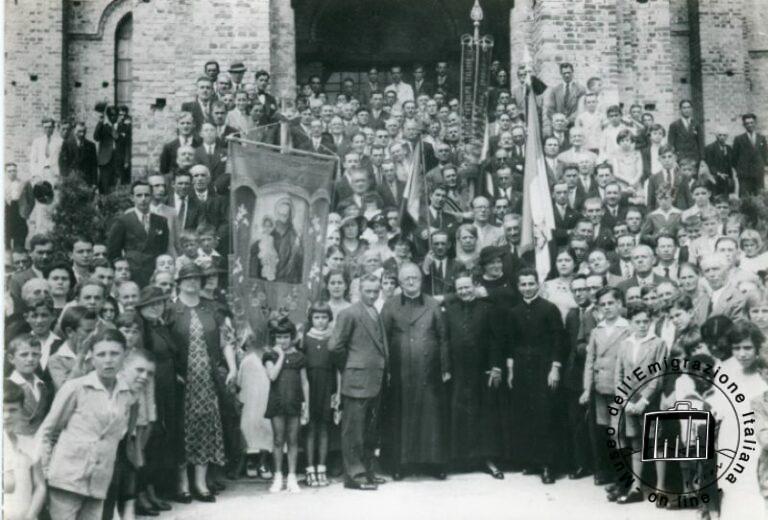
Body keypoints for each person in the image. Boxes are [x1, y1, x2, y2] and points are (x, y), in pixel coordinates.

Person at [38, 329, 138, 520]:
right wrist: (45, 474)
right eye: (101, 354)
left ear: (125, 355)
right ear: (92, 358)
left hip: (99, 481)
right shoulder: (75, 388)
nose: (108, 360)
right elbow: (48, 432)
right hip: (66, 479)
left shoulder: (126, 393)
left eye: (114, 353)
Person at [169, 263, 235, 503]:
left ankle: (200, 482)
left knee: (206, 427)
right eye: (188, 279)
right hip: (181, 382)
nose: (193, 283)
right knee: (181, 428)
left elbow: (226, 340)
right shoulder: (170, 310)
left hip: (207, 381)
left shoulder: (212, 309)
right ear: (179, 282)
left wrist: (232, 367)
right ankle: (182, 484)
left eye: (197, 279)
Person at [381, 263, 449, 480]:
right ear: (400, 282)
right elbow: (382, 338)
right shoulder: (390, 305)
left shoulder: (432, 304)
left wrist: (445, 367)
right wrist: (387, 370)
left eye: (415, 278)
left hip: (428, 371)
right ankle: (400, 463)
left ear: (421, 280)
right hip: (401, 370)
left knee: (430, 416)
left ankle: (434, 463)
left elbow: (443, 337)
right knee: (401, 416)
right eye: (406, 279)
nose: (411, 282)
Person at [505, 268, 566, 484]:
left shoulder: (549, 309)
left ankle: (548, 465)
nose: (528, 288)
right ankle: (531, 460)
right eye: (523, 284)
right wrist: (511, 371)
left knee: (545, 415)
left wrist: (555, 367)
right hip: (522, 368)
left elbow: (559, 340)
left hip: (543, 367)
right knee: (526, 414)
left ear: (538, 284)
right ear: (518, 286)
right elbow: (511, 343)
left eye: (531, 283)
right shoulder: (514, 312)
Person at [444, 272, 505, 478]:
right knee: (458, 412)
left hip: (482, 371)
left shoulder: (487, 309)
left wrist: (496, 367)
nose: (463, 291)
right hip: (459, 371)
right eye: (459, 288)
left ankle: (487, 458)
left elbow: (496, 340)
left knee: (484, 414)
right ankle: (460, 458)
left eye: (467, 287)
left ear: (475, 286)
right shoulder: (450, 311)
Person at [612, 304, 666, 504]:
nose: (642, 325)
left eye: (645, 321)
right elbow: (618, 375)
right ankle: (636, 487)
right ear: (631, 323)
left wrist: (644, 400)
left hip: (649, 401)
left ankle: (661, 489)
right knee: (635, 443)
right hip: (629, 401)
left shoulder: (657, 343)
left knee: (656, 444)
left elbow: (658, 376)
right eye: (638, 322)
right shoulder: (625, 344)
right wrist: (624, 401)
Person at [581, 287, 630, 484]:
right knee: (605, 432)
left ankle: (625, 475)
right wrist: (587, 388)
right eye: (603, 305)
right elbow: (590, 361)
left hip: (619, 388)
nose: (607, 307)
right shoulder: (597, 330)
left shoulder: (627, 328)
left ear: (619, 304)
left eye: (611, 303)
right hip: (601, 388)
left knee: (620, 431)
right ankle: (609, 472)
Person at [135, 286, 177, 512]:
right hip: (148, 390)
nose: (156, 307)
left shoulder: (159, 327)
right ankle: (140, 493)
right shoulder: (140, 330)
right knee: (146, 443)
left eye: (160, 303)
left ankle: (152, 490)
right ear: (141, 307)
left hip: (166, 388)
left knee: (159, 442)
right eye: (151, 303)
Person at [263, 317, 309, 494]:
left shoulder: (299, 357)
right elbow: (272, 375)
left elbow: (305, 383)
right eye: (279, 337)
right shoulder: (270, 355)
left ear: (292, 337)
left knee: (293, 441)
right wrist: (281, 355)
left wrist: (308, 406)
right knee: (278, 440)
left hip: (295, 404)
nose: (282, 341)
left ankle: (291, 477)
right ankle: (278, 476)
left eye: (286, 337)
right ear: (274, 338)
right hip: (277, 404)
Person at [301, 303, 339, 488]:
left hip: (327, 387)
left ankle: (322, 468)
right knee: (310, 428)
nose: (320, 321)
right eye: (316, 317)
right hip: (310, 388)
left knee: (324, 428)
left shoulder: (333, 338)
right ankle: (309, 470)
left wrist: (337, 393)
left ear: (329, 318)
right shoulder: (304, 339)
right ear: (311, 319)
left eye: (324, 317)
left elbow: (338, 369)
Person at [107, 181, 170, 288]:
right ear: (132, 198)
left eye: (147, 195)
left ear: (151, 197)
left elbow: (163, 249)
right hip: (132, 276)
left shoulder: (161, 221)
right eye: (139, 195)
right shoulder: (123, 221)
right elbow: (113, 253)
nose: (143, 199)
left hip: (154, 275)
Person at [3, 379, 47, 520]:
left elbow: (40, 485)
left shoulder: (29, 444)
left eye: (12, 410)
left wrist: (31, 515)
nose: (6, 416)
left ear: (21, 410)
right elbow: (9, 485)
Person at [237, 333, 274, 480]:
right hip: (249, 399)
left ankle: (263, 462)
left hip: (266, 398)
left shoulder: (270, 356)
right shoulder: (245, 360)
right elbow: (239, 382)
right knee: (248, 427)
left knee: (266, 426)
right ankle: (250, 461)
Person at [732, 113, 768, 196]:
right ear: (744, 125)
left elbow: (765, 155)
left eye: (751, 122)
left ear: (755, 123)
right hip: (744, 175)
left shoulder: (761, 138)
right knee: (745, 198)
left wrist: (762, 166)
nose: (750, 125)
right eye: (747, 123)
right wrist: (740, 169)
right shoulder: (739, 139)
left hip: (758, 174)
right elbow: (734, 158)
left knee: (759, 197)